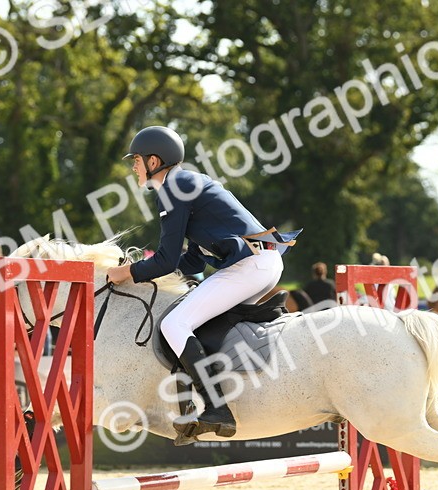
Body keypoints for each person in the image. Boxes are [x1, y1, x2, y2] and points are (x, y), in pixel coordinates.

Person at [103, 125, 298, 441]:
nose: (133, 167)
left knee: (175, 324)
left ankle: (217, 408)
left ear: (154, 161)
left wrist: (128, 274)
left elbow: (166, 261)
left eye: (136, 160)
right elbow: (191, 261)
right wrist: (144, 274)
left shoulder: (173, 188)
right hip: (263, 262)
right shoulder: (188, 184)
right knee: (202, 319)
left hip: (251, 265)